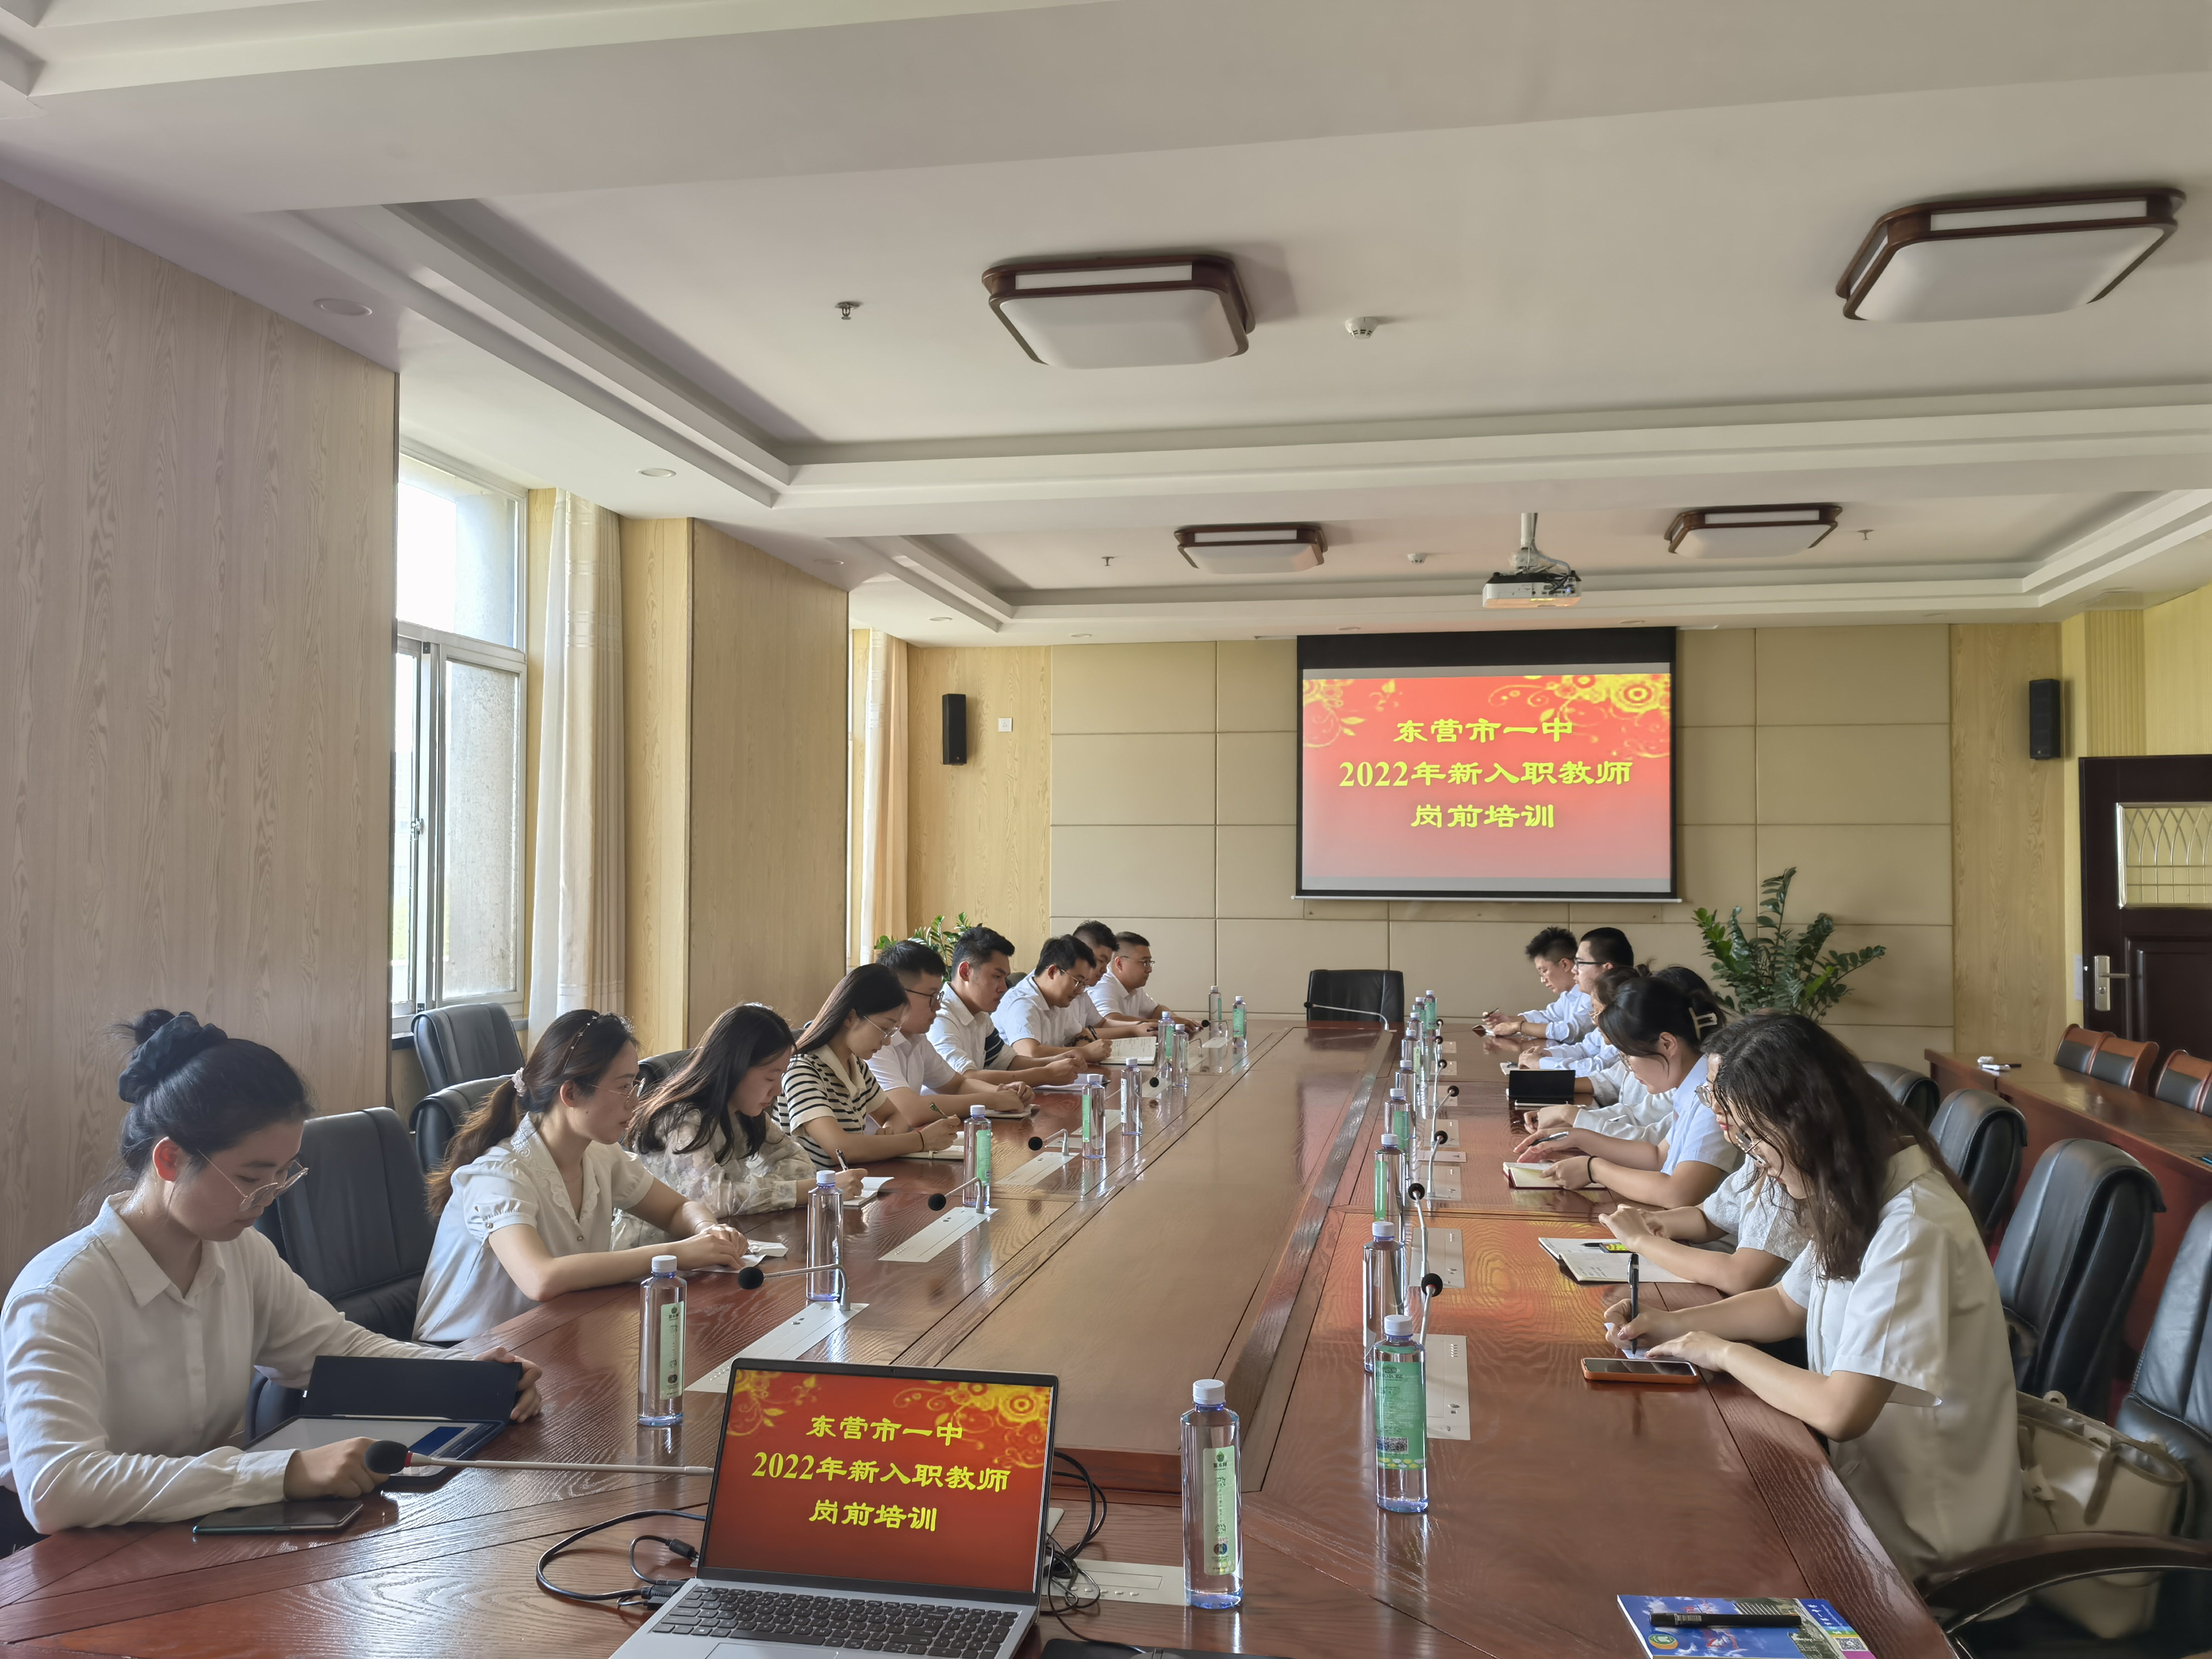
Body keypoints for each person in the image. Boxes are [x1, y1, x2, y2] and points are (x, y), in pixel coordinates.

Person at [1, 1010, 543, 1540]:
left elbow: (334, 1351)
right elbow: (58, 1488)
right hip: (62, 1555)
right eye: (251, 1177)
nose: (269, 1198)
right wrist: (285, 1472)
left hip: (186, 1528)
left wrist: (463, 1374)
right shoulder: (60, 1295)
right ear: (169, 1161)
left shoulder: (240, 1253)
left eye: (285, 1174)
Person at [1605, 1013, 2020, 1580]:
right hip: (1857, 1492)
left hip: (1922, 1541)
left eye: (1757, 1138)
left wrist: (1721, 1351)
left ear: (1809, 1122)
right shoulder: (1858, 1190)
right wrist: (1670, 1323)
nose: (1755, 1158)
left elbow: (1840, 1410)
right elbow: (1785, 1304)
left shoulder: (1914, 1227)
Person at [414, 1010, 751, 1343]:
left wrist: (709, 1231)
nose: (635, 1102)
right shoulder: (500, 1175)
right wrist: (676, 1255)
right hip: (462, 1354)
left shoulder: (601, 1156)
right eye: (624, 1087)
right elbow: (540, 1279)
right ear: (571, 1093)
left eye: (636, 1084)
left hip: (548, 1336)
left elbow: (677, 1209)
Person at [615, 1003, 862, 1250]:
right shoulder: (681, 1120)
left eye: (781, 1077)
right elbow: (712, 1200)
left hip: (711, 1246)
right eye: (770, 1077)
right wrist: (812, 1189)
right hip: (649, 1255)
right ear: (735, 1067)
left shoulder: (744, 1112)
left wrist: (746, 1193)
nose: (778, 1090)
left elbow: (800, 1164)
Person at [1595, 1020, 1809, 1296]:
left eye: (1724, 1091)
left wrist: (1640, 1239)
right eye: (1710, 1091)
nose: (1715, 1106)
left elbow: (1741, 1278)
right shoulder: (1758, 1151)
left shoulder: (1789, 1164)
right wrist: (1651, 1222)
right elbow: (1710, 1217)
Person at [1511, 972, 1736, 1208]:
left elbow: (1679, 1194)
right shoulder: (1691, 1087)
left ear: (1667, 1044)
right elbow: (1658, 1156)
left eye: (1629, 1055)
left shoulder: (1712, 1095)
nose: (1628, 1067)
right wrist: (1577, 1137)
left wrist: (1594, 1169)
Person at [778, 965, 962, 1169]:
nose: (887, 1041)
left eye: (892, 1031)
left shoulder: (856, 1065)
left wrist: (889, 1134)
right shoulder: (801, 1069)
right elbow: (840, 1149)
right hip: (811, 1186)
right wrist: (921, 1141)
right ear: (850, 1018)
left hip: (849, 1182)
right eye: (884, 1029)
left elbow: (895, 1115)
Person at [868, 940, 1038, 1125]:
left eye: (939, 996)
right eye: (931, 996)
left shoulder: (917, 1039)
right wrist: (991, 1100)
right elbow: (910, 1111)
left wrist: (1003, 1092)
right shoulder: (877, 1042)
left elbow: (957, 1084)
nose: (938, 1005)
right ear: (899, 994)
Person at [929, 927, 1075, 1080]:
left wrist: (1056, 1061)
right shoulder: (940, 1017)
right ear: (965, 972)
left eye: (1004, 978)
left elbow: (1007, 1063)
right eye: (997, 976)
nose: (1004, 988)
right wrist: (1047, 1074)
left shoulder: (980, 1015)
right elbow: (965, 1079)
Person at [996, 936, 1112, 1065]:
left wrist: (1082, 1049)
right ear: (1052, 972)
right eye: (1077, 981)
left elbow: (1081, 1033)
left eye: (1083, 984)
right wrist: (1084, 1052)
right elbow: (1030, 1053)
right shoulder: (1022, 1003)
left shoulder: (1057, 1001)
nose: (1080, 991)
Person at [1068, 922, 1157, 1037]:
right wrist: (1134, 1030)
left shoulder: (1083, 993)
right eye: (1101, 961)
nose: (1105, 970)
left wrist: (1138, 1027)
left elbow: (1102, 1024)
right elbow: (1076, 1035)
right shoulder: (1059, 994)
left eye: (1106, 963)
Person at [1089, 930, 1182, 1028]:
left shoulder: (1135, 989)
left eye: (1149, 963)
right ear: (1120, 964)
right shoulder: (1103, 985)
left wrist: (1176, 1019)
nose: (1149, 970)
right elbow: (1110, 1021)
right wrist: (1167, 1023)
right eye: (1144, 962)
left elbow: (1156, 1010)